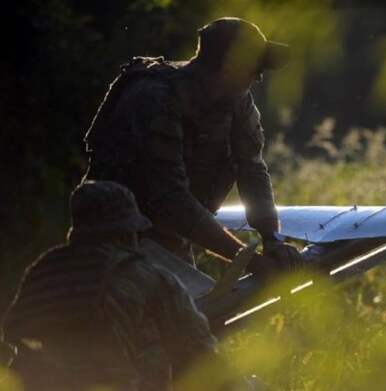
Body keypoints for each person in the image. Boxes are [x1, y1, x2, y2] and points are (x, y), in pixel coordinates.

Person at [82, 17, 303, 269]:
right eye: (256, 69)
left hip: (170, 238)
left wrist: (272, 238)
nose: (259, 79)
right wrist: (249, 261)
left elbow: (251, 167)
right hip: (115, 241)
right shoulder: (155, 98)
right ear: (231, 67)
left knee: (190, 306)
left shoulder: (237, 98)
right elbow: (170, 200)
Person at [1, 181, 233, 390]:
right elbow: (201, 354)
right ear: (125, 232)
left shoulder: (44, 270)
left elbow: (13, 335)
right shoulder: (144, 276)